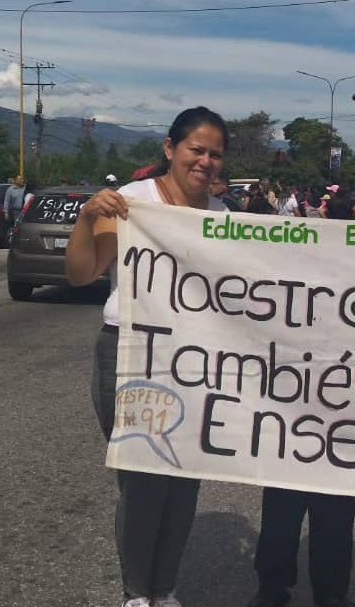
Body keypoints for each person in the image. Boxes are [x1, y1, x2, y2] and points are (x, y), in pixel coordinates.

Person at [65, 106, 229, 607]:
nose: (205, 162)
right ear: (170, 149)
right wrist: (88, 216)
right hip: (132, 353)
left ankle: (165, 588)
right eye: (196, 150)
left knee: (184, 479)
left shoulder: (221, 219)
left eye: (215, 154)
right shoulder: (130, 204)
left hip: (194, 359)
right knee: (143, 479)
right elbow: (81, 275)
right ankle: (137, 592)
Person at [248, 187, 355, 607]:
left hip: (336, 414)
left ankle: (317, 590)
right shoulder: (282, 292)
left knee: (320, 508)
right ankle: (279, 586)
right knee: (286, 506)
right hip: (291, 413)